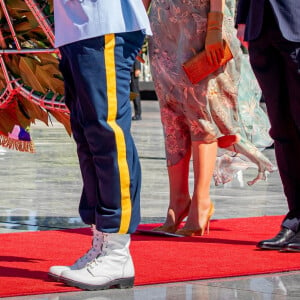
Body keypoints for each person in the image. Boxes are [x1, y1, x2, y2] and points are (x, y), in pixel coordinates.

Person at [143, 0, 275, 236]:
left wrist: (214, 22)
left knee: (200, 111)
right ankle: (178, 202)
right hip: (162, 23)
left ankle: (201, 204)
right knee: (171, 113)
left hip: (200, 20)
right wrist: (139, 23)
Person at [48, 1, 152, 290]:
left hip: (106, 22)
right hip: (76, 27)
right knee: (87, 135)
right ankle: (101, 241)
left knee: (108, 135)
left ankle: (116, 250)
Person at [236, 0, 300, 252]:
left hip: (295, 22)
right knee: (282, 131)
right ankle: (294, 219)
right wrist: (243, 19)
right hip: (260, 25)